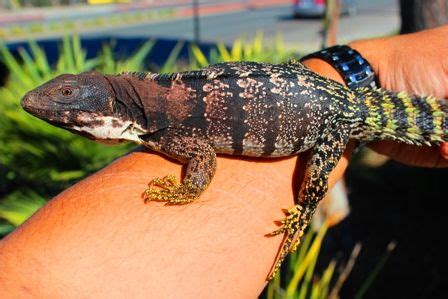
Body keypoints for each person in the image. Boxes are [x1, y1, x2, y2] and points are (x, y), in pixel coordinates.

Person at [0, 25, 447, 298]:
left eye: (68, 96)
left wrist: (187, 191)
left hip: (337, 113)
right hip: (338, 101)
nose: (56, 103)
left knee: (314, 179)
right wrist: (369, 64)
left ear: (106, 101)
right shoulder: (160, 114)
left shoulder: (170, 128)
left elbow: (203, 161)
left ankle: (299, 221)